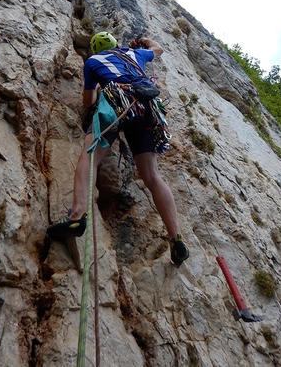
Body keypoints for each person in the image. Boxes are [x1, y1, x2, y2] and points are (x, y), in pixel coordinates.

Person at [47, 32, 189, 267]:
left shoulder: (93, 62)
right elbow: (159, 49)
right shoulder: (134, 53)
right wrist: (143, 41)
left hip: (117, 101)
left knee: (89, 154)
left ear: (94, 49)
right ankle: (176, 239)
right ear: (115, 44)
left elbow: (88, 102)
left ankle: (76, 216)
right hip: (146, 106)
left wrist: (97, 92)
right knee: (152, 175)